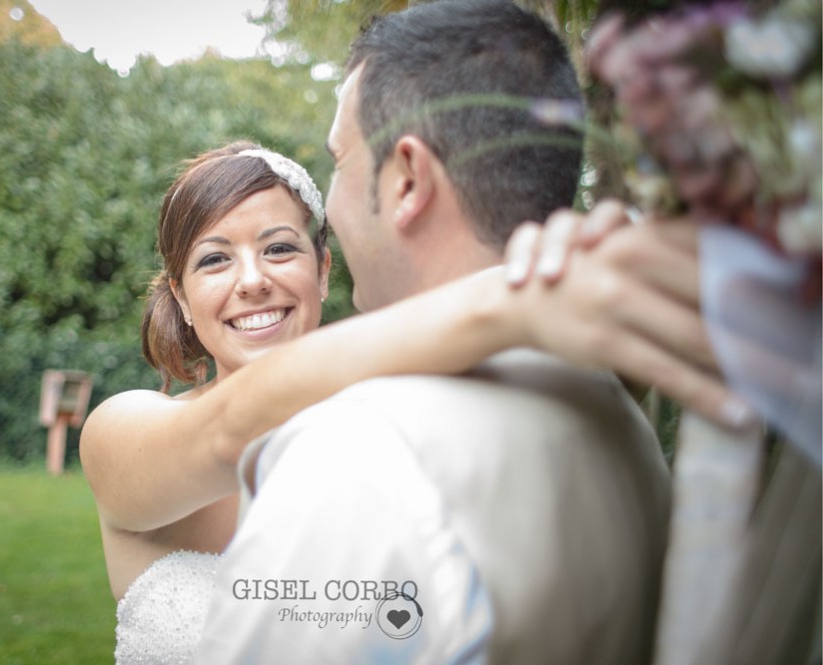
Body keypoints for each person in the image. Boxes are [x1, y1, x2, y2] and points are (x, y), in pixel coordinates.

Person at [192, 1, 733, 663]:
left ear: (408, 179)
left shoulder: (362, 454)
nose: (330, 207)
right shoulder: (609, 402)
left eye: (339, 160)